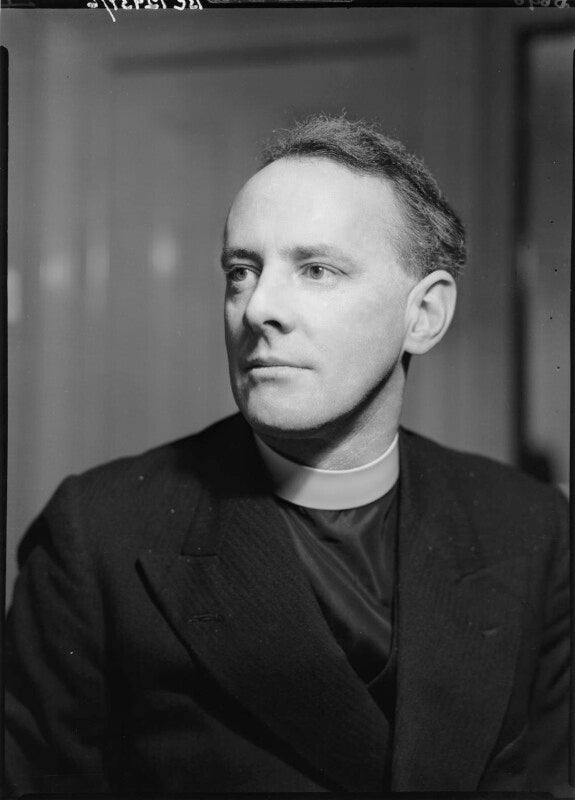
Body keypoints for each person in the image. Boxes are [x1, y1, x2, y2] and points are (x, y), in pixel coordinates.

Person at [5, 115, 570, 795]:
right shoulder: (97, 535)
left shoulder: (531, 528)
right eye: (241, 271)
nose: (258, 308)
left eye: (316, 269)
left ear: (423, 315)